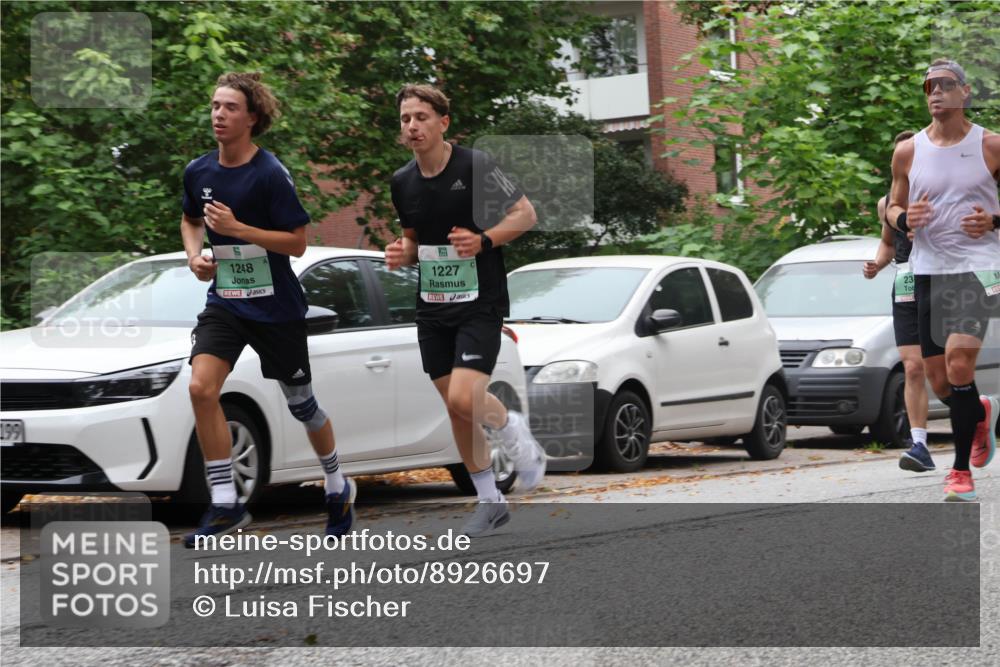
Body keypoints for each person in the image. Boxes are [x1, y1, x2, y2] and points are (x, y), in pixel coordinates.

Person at [180, 72, 354, 545]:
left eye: (230, 107)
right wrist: (195, 255)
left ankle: (337, 485)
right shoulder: (199, 171)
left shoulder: (269, 174)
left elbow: (297, 244)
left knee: (303, 406)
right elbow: (190, 219)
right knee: (200, 388)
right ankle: (224, 503)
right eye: (215, 105)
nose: (219, 114)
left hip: (275, 307)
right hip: (227, 304)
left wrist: (239, 229)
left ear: (252, 118)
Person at [385, 84, 546, 536]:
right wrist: (403, 253)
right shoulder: (403, 181)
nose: (412, 126)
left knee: (463, 397)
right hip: (433, 305)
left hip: (480, 302)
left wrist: (484, 240)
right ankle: (489, 501)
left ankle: (512, 429)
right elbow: (414, 241)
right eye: (404, 119)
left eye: (420, 117)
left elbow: (525, 214)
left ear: (443, 122)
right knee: (455, 408)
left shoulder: (475, 166)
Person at [887, 59, 1000, 501]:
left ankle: (959, 474)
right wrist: (904, 219)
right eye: (928, 86)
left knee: (957, 365)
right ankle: (978, 413)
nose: (935, 92)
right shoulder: (908, 151)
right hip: (929, 271)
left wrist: (992, 221)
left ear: (966, 92)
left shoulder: (990, 146)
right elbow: (892, 208)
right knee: (939, 382)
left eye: (945, 85)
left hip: (979, 268)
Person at [864, 130, 950, 472]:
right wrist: (876, 263)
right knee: (912, 367)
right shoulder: (887, 203)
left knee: (941, 375)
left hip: (940, 282)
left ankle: (978, 410)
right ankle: (919, 445)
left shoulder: (941, 194)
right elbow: (888, 243)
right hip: (905, 284)